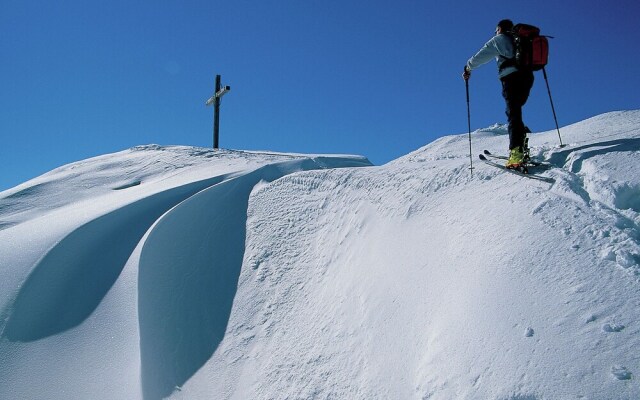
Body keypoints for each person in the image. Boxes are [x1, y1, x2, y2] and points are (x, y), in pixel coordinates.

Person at [462, 19, 534, 168]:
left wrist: (467, 68)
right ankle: (520, 140)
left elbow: (481, 56)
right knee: (515, 111)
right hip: (527, 77)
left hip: (511, 79)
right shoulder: (521, 40)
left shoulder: (499, 39)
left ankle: (516, 152)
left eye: (495, 31)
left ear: (499, 29)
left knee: (513, 112)